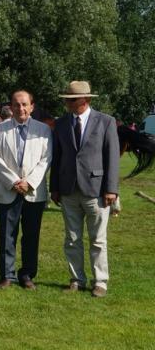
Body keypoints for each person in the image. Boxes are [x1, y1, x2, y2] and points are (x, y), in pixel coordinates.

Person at [50, 81, 120, 298]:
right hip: (68, 190)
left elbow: (112, 157)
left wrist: (111, 189)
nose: (68, 103)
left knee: (98, 240)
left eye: (73, 99)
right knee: (72, 239)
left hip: (97, 191)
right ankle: (76, 280)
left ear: (87, 99)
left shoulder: (106, 121)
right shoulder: (60, 124)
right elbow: (57, 157)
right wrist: (54, 188)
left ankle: (100, 282)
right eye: (67, 99)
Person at [0, 90, 52, 290]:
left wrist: (29, 182)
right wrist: (15, 181)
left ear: (32, 107)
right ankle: (7, 275)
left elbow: (46, 159)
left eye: (24, 104)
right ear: (11, 107)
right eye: (16, 104)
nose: (21, 108)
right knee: (7, 236)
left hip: (33, 193)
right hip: (7, 191)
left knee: (31, 236)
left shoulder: (43, 130)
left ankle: (27, 274)